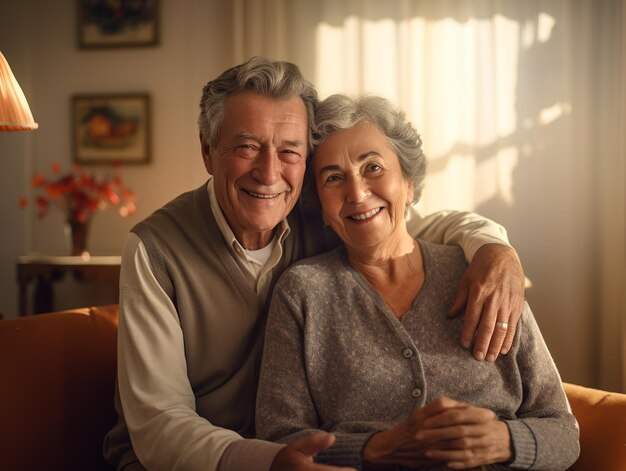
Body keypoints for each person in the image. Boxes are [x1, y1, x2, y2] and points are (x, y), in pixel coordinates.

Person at [103, 57, 526, 471]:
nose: (269, 173)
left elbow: (411, 222)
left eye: (289, 151)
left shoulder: (326, 213)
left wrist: (495, 248)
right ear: (207, 150)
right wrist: (269, 460)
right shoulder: (154, 248)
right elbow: (158, 423)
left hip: (299, 453)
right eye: (248, 147)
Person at [256, 94, 579, 470]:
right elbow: (279, 438)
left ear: (408, 184)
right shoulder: (303, 292)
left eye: (373, 167)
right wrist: (375, 447)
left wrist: (505, 441)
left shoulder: (482, 274)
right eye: (333, 178)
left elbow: (564, 432)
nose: (357, 193)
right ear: (320, 208)